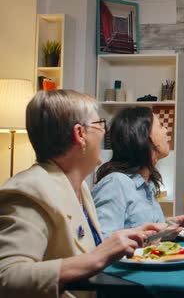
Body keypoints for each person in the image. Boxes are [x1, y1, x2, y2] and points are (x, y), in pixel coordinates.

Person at [0, 90, 164, 298]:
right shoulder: (28, 190)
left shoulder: (79, 188)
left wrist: (131, 236)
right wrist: (97, 258)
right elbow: (8, 276)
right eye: (99, 125)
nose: (105, 134)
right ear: (80, 134)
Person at [92, 107, 184, 238]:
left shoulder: (147, 184)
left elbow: (138, 228)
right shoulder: (115, 183)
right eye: (160, 126)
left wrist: (169, 225)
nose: (167, 131)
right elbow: (103, 243)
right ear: (142, 134)